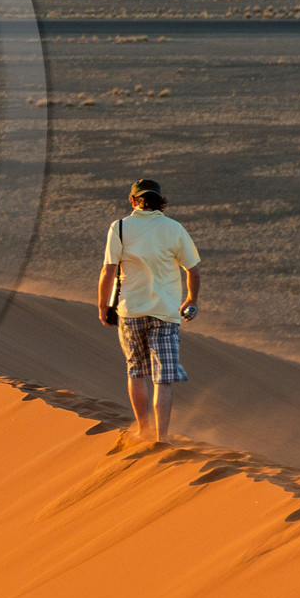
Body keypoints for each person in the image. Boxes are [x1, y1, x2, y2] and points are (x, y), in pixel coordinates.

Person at [97, 178, 202, 445]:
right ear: (159, 200)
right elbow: (192, 269)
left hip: (131, 311)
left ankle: (143, 430)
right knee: (162, 379)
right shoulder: (174, 229)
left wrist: (103, 306)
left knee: (136, 372)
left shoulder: (119, 228)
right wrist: (191, 299)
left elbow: (108, 270)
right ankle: (162, 437)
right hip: (166, 313)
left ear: (133, 201)